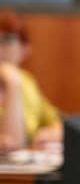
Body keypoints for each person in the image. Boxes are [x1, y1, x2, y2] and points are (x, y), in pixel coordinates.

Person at [0, 9, 63, 153]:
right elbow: (12, 143)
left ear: (25, 49)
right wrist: (12, 82)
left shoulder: (27, 81)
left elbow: (58, 121)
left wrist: (50, 133)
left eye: (7, 40)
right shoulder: (16, 80)